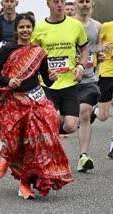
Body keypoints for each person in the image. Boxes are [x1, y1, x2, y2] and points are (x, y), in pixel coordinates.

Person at [0, 13, 73, 199]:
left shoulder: (38, 52)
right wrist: (7, 80)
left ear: (32, 29)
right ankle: (8, 159)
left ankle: (26, 183)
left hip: (35, 98)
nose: (25, 30)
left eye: (28, 27)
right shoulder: (8, 49)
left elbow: (45, 80)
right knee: (18, 143)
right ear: (16, 29)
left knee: (40, 136)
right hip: (14, 102)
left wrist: (51, 78)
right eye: (22, 27)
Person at [31, 0, 89, 137]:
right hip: (47, 83)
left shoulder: (75, 25)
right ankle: (48, 141)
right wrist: (44, 71)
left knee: (71, 126)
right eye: (55, 1)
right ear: (48, 4)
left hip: (70, 82)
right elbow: (32, 55)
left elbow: (85, 50)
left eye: (62, 1)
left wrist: (81, 66)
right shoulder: (39, 28)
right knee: (54, 118)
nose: (60, 4)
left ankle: (49, 133)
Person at [73, 0, 106, 172]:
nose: (84, 4)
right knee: (65, 122)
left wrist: (100, 55)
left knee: (84, 114)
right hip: (68, 80)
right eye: (81, 1)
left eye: (87, 1)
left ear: (91, 3)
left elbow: (97, 46)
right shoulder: (68, 23)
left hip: (89, 79)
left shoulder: (97, 26)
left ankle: (83, 156)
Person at [90, 20, 113, 159]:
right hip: (107, 74)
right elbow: (93, 46)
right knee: (103, 116)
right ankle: (95, 109)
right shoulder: (106, 27)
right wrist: (102, 48)